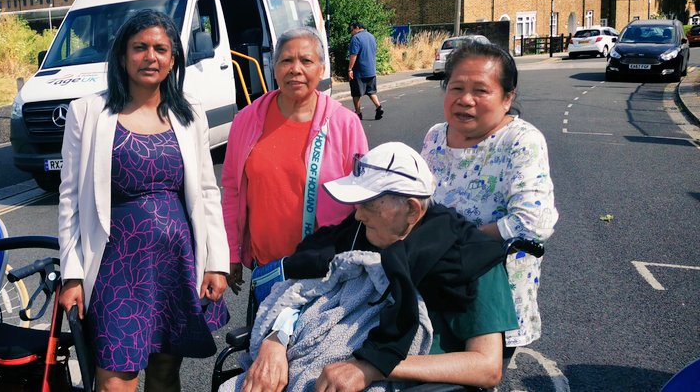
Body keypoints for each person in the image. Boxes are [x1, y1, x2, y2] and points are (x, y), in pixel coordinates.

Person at [237, 142, 516, 392]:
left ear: (411, 209)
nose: (357, 213)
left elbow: (487, 367)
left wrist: (372, 367)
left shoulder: (469, 258)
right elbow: (301, 290)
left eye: (369, 203)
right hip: (315, 363)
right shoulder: (359, 233)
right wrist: (276, 339)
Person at [56, 10, 229, 391]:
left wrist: (217, 262)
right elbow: (69, 197)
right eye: (140, 48)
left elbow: (206, 191)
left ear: (172, 60)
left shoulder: (189, 113)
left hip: (175, 262)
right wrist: (71, 275)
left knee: (166, 371)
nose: (150, 56)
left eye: (160, 49)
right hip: (114, 266)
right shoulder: (87, 112)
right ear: (122, 56)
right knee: (116, 378)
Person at [420, 42, 558, 354]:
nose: (465, 100)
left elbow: (531, 222)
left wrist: (454, 244)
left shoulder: (522, 141)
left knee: (475, 377)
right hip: (435, 284)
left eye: (480, 90)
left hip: (491, 298)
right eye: (456, 87)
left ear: (507, 98)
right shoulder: (435, 136)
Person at [222, 27, 367, 297]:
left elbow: (363, 197)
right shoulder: (247, 120)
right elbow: (231, 190)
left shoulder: (344, 123)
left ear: (321, 69)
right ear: (274, 67)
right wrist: (230, 252)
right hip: (268, 268)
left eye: (306, 61)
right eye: (286, 60)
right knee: (264, 339)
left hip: (326, 271)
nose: (295, 69)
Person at [347, 22, 383, 121]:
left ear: (357, 28)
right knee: (371, 91)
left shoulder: (356, 38)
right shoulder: (372, 37)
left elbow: (354, 55)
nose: (351, 32)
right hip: (371, 70)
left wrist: (350, 69)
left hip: (359, 71)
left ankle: (358, 113)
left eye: (352, 30)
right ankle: (379, 107)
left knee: (356, 93)